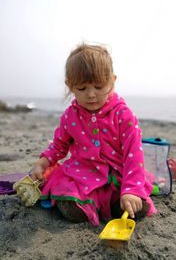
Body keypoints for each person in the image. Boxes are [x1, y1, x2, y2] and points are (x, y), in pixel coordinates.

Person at [30, 43, 156, 225]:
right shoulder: (70, 116)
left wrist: (131, 190)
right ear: (70, 85)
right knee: (72, 206)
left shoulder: (123, 115)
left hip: (118, 176)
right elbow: (59, 146)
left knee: (137, 203)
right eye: (82, 89)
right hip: (83, 174)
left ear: (112, 81)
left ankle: (119, 201)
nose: (91, 95)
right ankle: (95, 206)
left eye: (99, 86)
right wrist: (42, 163)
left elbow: (134, 155)